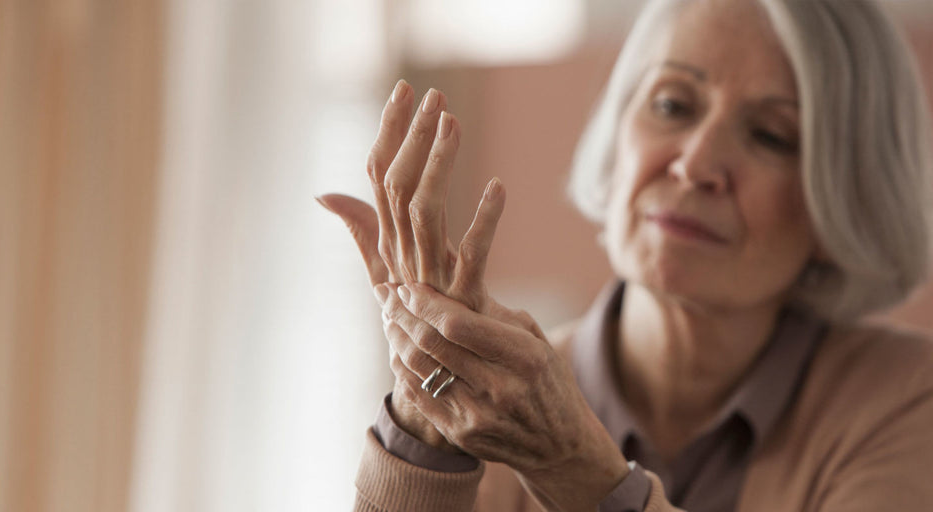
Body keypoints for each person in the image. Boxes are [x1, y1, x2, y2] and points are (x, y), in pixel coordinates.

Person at [318, 0, 933, 510]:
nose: (695, 164)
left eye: (771, 135)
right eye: (672, 104)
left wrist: (577, 471)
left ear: (846, 200)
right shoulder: (490, 404)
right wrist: (422, 433)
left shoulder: (906, 400)